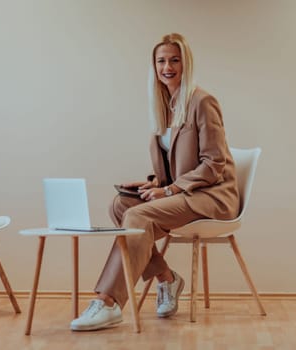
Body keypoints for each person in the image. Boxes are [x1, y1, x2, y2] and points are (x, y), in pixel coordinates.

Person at [70, 33, 240, 331]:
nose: (167, 66)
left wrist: (170, 189)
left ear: (186, 63)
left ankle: (107, 301)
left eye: (174, 60)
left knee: (137, 215)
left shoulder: (202, 101)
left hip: (212, 196)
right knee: (122, 204)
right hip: (184, 192)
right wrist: (153, 183)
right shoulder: (164, 103)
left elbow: (214, 163)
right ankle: (167, 279)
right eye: (161, 61)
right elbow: (175, 163)